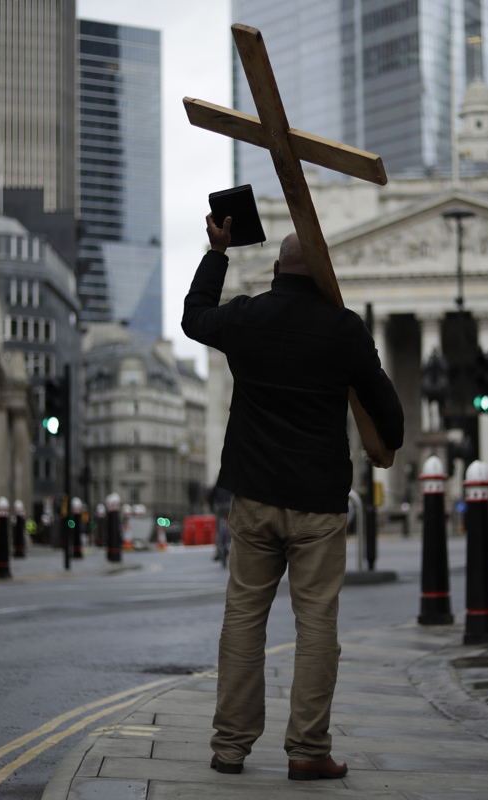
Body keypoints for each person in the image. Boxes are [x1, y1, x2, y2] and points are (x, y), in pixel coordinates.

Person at [183, 214, 404, 781]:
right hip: (318, 503)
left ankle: (230, 747)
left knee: (243, 618)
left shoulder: (246, 316)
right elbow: (387, 407)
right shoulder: (345, 330)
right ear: (323, 273)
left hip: (255, 496)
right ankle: (307, 749)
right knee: (316, 625)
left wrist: (218, 252)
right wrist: (384, 448)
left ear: (277, 270)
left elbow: (193, 317)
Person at [208, 478, 233, 567]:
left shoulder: (216, 486)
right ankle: (232, 547)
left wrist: (211, 507)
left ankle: (218, 552)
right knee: (232, 527)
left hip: (219, 507)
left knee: (218, 530)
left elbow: (210, 497)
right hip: (228, 506)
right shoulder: (229, 484)